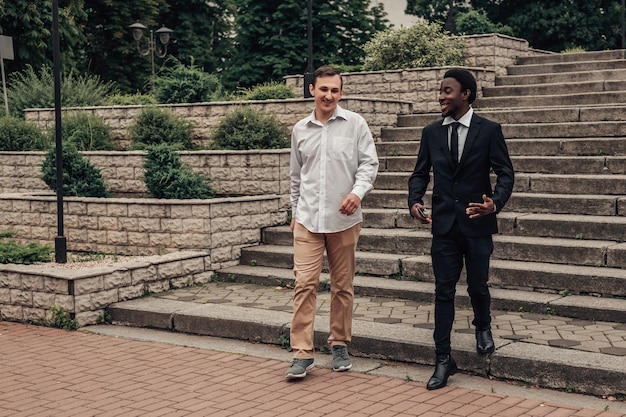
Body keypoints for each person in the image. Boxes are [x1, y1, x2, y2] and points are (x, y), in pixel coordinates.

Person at [407, 68, 514, 390]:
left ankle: (483, 326)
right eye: (441, 91)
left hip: (478, 223)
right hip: (443, 225)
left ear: (465, 93)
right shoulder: (431, 132)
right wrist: (414, 201)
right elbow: (419, 173)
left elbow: (505, 173)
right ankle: (443, 360)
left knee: (478, 286)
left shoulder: (489, 130)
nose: (441, 96)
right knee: (443, 291)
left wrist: (495, 202)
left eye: (447, 91)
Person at [286, 65, 379, 380]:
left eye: (334, 90)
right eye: (323, 89)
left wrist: (357, 192)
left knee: (342, 286)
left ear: (340, 92)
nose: (329, 95)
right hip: (308, 220)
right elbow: (296, 177)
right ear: (312, 89)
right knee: (304, 284)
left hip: (345, 219)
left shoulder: (355, 125)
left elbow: (369, 163)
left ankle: (339, 343)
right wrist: (295, 211)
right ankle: (302, 352)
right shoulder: (300, 129)